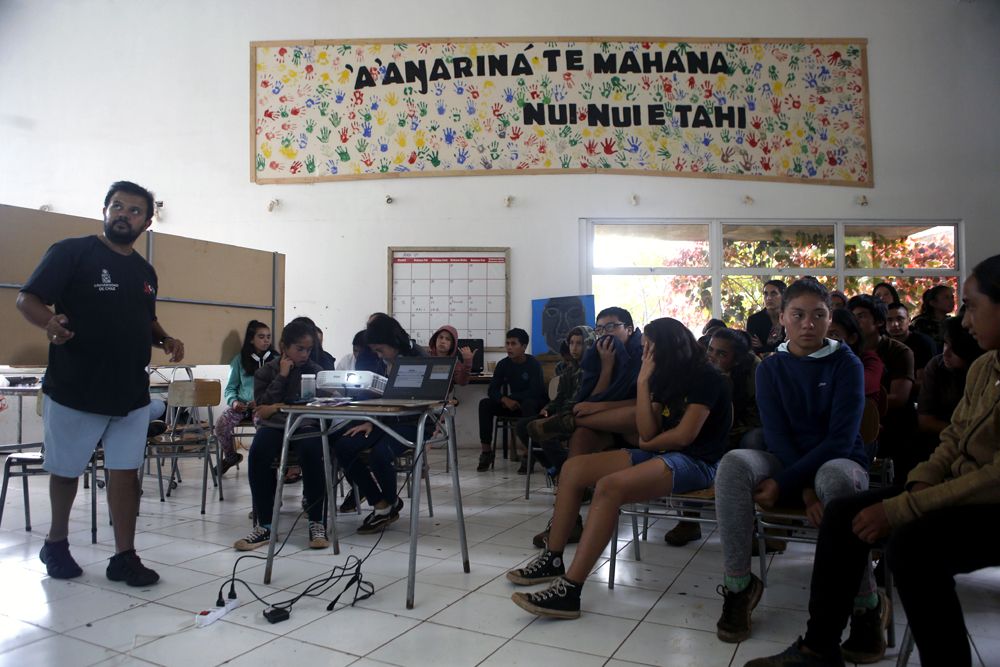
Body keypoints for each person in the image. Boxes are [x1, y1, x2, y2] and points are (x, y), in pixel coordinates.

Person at [743, 255, 1000, 667]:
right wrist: (918, 484)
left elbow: (994, 478)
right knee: (844, 513)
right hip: (956, 489)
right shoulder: (986, 366)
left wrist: (904, 506)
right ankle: (819, 648)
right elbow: (953, 439)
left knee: (912, 547)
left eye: (971, 305)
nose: (964, 321)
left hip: (989, 504)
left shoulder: (846, 361)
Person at [16, 180, 185, 586]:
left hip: (130, 392)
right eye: (117, 207)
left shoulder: (145, 271)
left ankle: (124, 556)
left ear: (146, 221)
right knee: (66, 471)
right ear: (105, 211)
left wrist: (163, 338)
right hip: (76, 387)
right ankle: (56, 544)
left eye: (133, 211)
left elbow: (144, 317)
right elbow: (28, 298)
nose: (123, 215)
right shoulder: (71, 252)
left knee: (126, 473)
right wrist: (48, 322)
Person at [506, 318, 732, 619]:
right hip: (662, 451)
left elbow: (683, 436)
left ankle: (570, 590)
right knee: (573, 469)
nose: (643, 353)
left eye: (648, 348)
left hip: (697, 461)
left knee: (609, 487)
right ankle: (553, 558)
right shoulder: (661, 375)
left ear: (666, 348)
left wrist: (649, 443)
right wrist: (643, 383)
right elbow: (646, 429)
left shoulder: (707, 377)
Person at [714, 278, 871, 645]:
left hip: (840, 459)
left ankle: (867, 603)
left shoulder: (847, 364)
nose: (808, 324)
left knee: (834, 480)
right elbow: (779, 437)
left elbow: (839, 441)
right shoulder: (770, 368)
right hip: (787, 458)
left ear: (830, 318)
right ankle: (738, 585)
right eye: (798, 315)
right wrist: (804, 491)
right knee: (734, 464)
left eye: (818, 315)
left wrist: (791, 485)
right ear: (781, 318)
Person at [234, 320, 329, 551]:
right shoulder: (266, 371)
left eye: (308, 349)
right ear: (284, 346)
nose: (305, 354)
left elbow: (316, 406)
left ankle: (317, 522)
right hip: (275, 426)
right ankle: (265, 525)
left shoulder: (316, 371)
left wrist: (279, 406)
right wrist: (283, 376)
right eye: (300, 349)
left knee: (313, 450)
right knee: (258, 453)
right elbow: (263, 404)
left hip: (305, 425)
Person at [666, 327, 762, 547]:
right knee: (690, 441)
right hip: (715, 428)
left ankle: (754, 526)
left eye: (722, 354)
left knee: (752, 443)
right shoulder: (701, 370)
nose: (713, 356)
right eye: (711, 350)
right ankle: (689, 521)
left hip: (747, 427)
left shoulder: (754, 369)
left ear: (737, 359)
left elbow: (759, 413)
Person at [333, 315, 427, 533]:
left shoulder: (418, 357)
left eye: (381, 349)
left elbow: (425, 401)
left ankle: (388, 506)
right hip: (381, 419)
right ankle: (382, 504)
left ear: (394, 341)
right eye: (375, 350)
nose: (378, 354)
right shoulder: (376, 359)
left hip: (412, 422)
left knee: (379, 454)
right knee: (344, 446)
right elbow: (371, 394)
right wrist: (370, 420)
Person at [531, 306, 644, 460]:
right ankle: (568, 478)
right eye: (600, 329)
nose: (605, 333)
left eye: (611, 327)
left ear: (629, 330)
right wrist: (607, 367)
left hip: (635, 424)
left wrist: (597, 407)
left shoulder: (642, 354)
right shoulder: (597, 357)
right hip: (607, 425)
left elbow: (643, 403)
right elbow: (594, 399)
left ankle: (569, 421)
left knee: (632, 414)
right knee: (581, 435)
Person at [848, 294, 918, 479]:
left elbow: (899, 399)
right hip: (853, 420)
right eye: (852, 316)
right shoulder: (846, 351)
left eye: (861, 316)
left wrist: (855, 401)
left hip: (892, 424)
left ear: (879, 321)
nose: (855, 321)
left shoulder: (899, 352)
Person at [519, 325, 597, 479]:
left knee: (546, 432)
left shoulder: (593, 369)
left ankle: (567, 473)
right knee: (523, 427)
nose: (574, 347)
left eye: (579, 343)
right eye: (571, 343)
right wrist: (549, 408)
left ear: (589, 344)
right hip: (563, 414)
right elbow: (560, 397)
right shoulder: (569, 369)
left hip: (579, 416)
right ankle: (553, 467)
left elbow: (578, 399)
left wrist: (556, 414)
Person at [476, 328, 546, 471]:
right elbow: (492, 390)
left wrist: (512, 398)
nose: (509, 347)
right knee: (484, 404)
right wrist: (503, 399)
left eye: (513, 344)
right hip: (510, 405)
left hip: (530, 406)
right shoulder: (503, 364)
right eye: (507, 343)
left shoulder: (533, 364)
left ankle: (528, 454)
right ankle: (486, 452)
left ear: (524, 346)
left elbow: (535, 391)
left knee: (529, 404)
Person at [216, 320, 277, 475]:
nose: (266, 340)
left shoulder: (276, 359)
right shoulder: (239, 360)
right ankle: (230, 457)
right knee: (222, 424)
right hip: (242, 406)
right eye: (261, 337)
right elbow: (230, 388)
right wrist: (234, 402)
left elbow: (279, 388)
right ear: (251, 339)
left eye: (268, 337)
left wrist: (263, 400)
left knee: (262, 424)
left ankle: (266, 460)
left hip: (263, 406)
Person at [916, 313, 984, 445]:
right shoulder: (937, 365)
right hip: (942, 440)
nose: (946, 353)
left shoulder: (984, 368)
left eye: (955, 349)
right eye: (945, 344)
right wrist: (965, 434)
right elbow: (925, 421)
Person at [828, 308, 886, 410]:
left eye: (834, 334)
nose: (826, 341)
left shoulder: (869, 360)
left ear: (852, 338)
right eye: (822, 334)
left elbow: (856, 386)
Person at [884, 301, 936, 385]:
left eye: (900, 319)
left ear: (909, 320)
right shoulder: (882, 344)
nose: (895, 324)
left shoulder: (923, 343)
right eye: (889, 320)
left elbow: (924, 381)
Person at [910, 284, 956, 352]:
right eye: (946, 297)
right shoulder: (921, 323)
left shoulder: (952, 322)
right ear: (933, 303)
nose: (952, 301)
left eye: (952, 297)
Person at [746, 279, 787, 355]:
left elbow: (791, 347)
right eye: (765, 294)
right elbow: (753, 349)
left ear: (783, 296)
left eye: (773, 294)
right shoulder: (754, 320)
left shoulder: (790, 318)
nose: (768, 298)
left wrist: (763, 347)